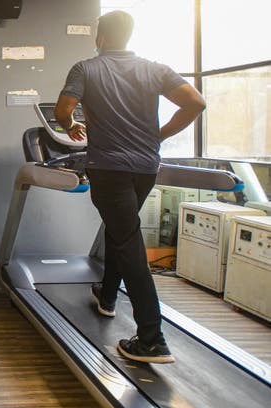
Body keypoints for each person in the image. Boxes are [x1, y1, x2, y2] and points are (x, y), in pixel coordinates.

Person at [54, 10, 206, 363]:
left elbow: (63, 111)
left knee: (128, 240)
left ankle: (151, 338)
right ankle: (107, 297)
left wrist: (72, 124)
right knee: (122, 230)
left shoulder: (86, 68)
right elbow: (195, 102)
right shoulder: (154, 68)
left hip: (108, 167)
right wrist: (159, 134)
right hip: (145, 168)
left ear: (100, 37)